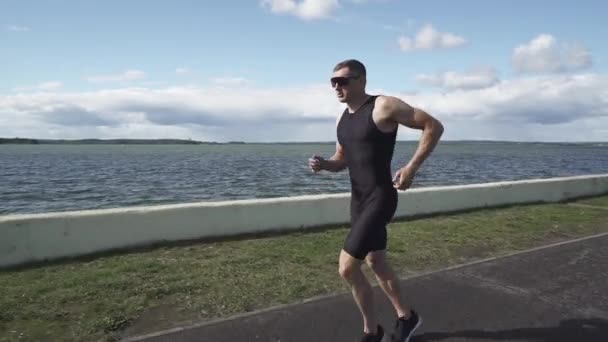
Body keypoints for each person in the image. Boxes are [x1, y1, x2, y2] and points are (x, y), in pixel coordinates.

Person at [308, 59, 444, 342]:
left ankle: (372, 332)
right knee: (376, 262)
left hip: (381, 197)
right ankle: (407, 317)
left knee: (347, 267)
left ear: (361, 81)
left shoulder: (384, 106)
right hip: (357, 201)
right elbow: (342, 160)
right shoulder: (342, 118)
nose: (336, 86)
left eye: (342, 80)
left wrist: (411, 168)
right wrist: (324, 164)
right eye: (332, 81)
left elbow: (433, 126)